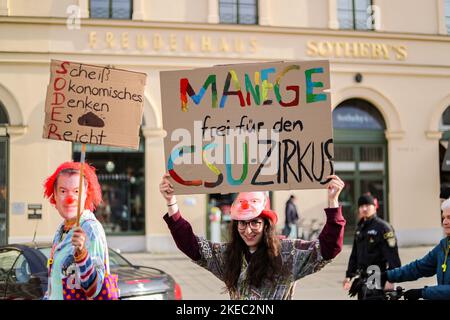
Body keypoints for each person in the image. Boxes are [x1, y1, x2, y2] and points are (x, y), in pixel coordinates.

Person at [159, 173, 346, 300]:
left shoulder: (288, 253)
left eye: (255, 222)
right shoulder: (228, 256)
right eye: (242, 223)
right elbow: (190, 245)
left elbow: (328, 249)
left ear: (266, 225)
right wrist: (171, 202)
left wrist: (333, 201)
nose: (248, 230)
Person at [43, 161, 111, 300]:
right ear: (54, 194)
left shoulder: (90, 229)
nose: (70, 198)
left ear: (86, 194)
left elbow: (94, 290)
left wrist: (82, 254)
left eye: (76, 191)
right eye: (63, 191)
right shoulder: (61, 230)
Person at [382, 198, 450, 300]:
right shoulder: (444, 245)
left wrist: (422, 293)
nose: (445, 222)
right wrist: (386, 275)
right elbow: (419, 267)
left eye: (449, 217)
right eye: (443, 218)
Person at [343, 193, 401, 299]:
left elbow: (393, 257)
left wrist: (391, 280)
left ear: (374, 207)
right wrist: (349, 275)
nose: (364, 208)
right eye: (361, 206)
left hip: (378, 277)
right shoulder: (360, 228)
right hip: (362, 279)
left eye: (367, 205)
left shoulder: (383, 227)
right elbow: (354, 254)